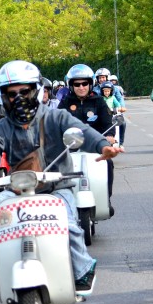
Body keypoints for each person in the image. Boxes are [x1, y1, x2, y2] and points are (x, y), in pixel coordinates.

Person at [0, 60, 123, 294]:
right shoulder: (1, 127)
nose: (19, 98)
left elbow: (82, 132)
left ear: (36, 90)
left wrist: (103, 145)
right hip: (18, 190)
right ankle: (9, 261)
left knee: (68, 223)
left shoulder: (56, 117)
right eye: (12, 94)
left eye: (25, 92)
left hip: (57, 188)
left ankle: (83, 268)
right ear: (3, 96)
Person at [59, 63, 117, 205]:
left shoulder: (99, 101)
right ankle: (61, 201)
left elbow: (108, 122)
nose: (81, 87)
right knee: (54, 167)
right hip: (70, 147)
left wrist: (109, 136)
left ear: (90, 84)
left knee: (108, 164)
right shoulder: (65, 102)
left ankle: (106, 199)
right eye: (77, 84)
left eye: (85, 83)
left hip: (95, 145)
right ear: (71, 85)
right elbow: (56, 123)